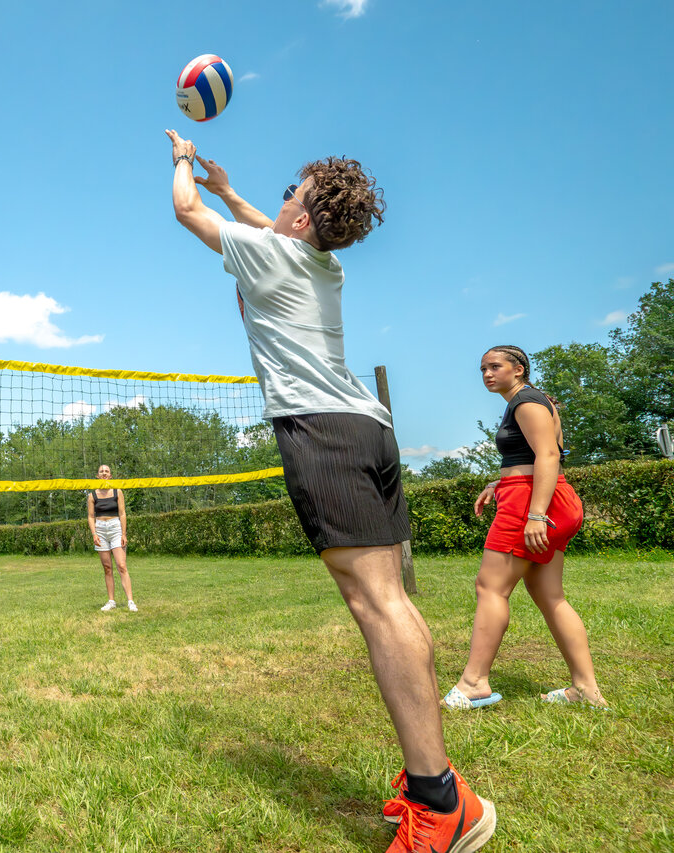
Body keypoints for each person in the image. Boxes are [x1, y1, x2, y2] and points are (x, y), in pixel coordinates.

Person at [166, 128, 495, 853]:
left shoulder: (277, 252)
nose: (282, 199)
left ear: (303, 217)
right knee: (391, 600)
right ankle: (434, 783)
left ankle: (442, 801)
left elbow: (186, 211)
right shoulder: (325, 263)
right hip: (368, 429)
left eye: (292, 192)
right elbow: (268, 227)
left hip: (322, 433)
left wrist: (185, 161)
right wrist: (235, 193)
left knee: (377, 606)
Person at [441, 345, 606, 710]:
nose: (487, 374)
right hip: (543, 496)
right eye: (483, 369)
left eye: (495, 366)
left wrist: (535, 514)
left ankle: (474, 683)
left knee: (490, 587)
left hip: (532, 502)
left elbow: (548, 455)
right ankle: (586, 690)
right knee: (550, 595)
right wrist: (498, 483)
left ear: (518, 369)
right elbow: (529, 458)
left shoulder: (526, 401)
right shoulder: (528, 400)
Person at [88, 463, 136, 612]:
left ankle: (130, 601)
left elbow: (122, 513)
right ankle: (111, 601)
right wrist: (94, 533)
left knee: (121, 565)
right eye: (101, 471)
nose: (104, 473)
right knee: (107, 568)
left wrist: (123, 533)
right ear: (97, 476)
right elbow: (91, 516)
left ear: (110, 475)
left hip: (115, 528)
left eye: (106, 471)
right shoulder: (92, 495)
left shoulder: (117, 491)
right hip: (100, 529)